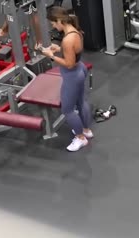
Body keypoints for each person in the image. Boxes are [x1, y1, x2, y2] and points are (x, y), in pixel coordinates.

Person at [38, 7, 93, 152]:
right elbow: (73, 55)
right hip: (80, 70)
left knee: (67, 109)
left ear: (60, 21)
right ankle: (86, 130)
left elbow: (69, 64)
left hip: (72, 76)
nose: (53, 26)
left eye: (53, 24)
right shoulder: (75, 31)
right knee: (81, 102)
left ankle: (81, 138)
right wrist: (59, 49)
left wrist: (50, 55)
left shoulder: (68, 40)